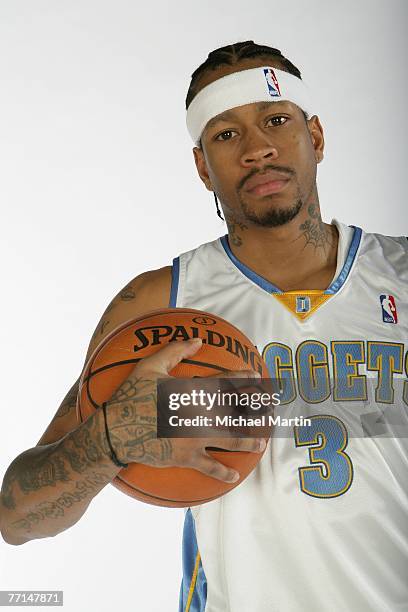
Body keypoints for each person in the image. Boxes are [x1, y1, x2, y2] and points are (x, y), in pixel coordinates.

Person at [1, 40, 407, 612]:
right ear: (202, 167)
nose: (257, 149)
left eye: (275, 120)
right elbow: (16, 518)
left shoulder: (401, 275)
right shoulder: (162, 303)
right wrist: (107, 440)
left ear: (314, 136)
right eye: (225, 134)